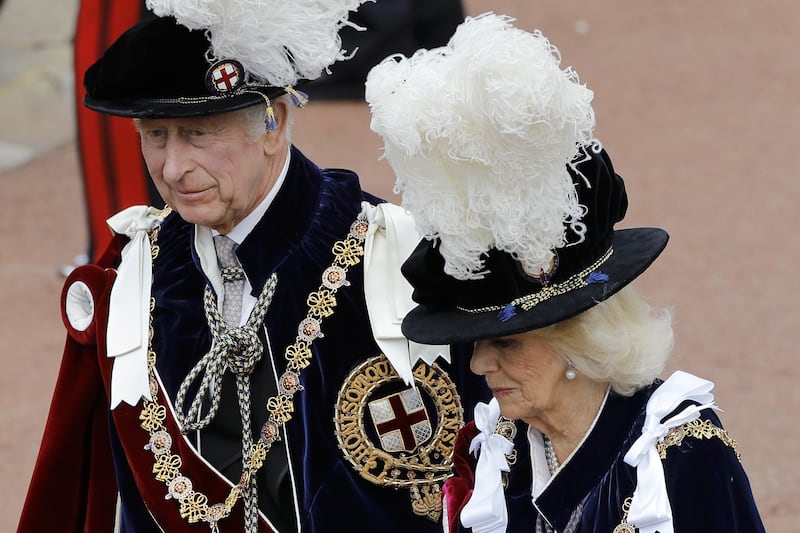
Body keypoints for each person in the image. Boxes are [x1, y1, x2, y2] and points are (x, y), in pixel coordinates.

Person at [18, 2, 485, 532]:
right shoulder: (135, 275)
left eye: (199, 133)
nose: (173, 168)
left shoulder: (396, 257)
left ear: (274, 122)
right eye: (155, 135)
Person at [365, 13, 765, 533]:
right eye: (477, 341)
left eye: (506, 343)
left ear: (580, 339)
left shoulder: (678, 455)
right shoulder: (497, 454)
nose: (479, 363)